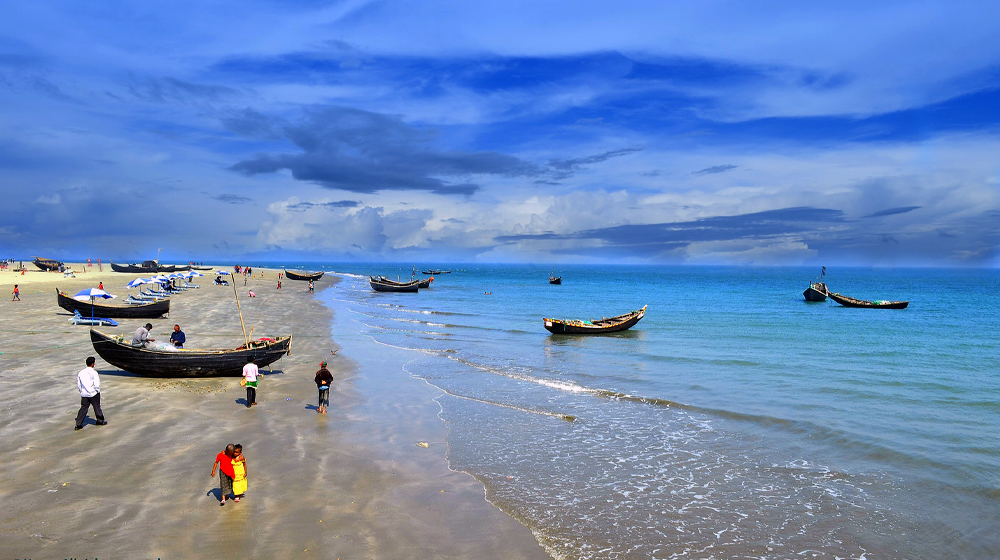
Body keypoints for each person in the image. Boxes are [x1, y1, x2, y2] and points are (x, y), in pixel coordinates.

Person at [75, 357, 107, 430]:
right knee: (97, 407)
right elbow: (96, 384)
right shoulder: (94, 372)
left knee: (83, 408)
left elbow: (79, 384)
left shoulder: (81, 372)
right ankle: (100, 421)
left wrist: (81, 391)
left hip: (84, 394)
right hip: (93, 393)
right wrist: (97, 391)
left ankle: (78, 424)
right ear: (93, 364)